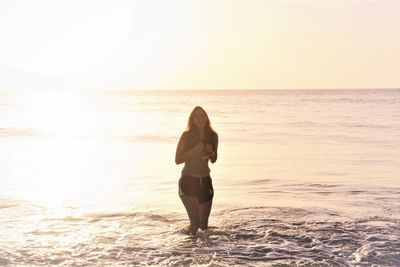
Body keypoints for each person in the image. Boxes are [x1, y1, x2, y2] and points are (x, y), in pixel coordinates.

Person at [175, 106, 218, 235]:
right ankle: (187, 251)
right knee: (195, 225)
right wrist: (193, 150)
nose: (200, 118)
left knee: (204, 226)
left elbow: (214, 159)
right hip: (189, 181)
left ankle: (203, 253)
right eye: (197, 116)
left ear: (207, 118)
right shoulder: (186, 136)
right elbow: (177, 160)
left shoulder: (213, 135)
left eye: (203, 115)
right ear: (192, 119)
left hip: (205, 181)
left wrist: (211, 152)